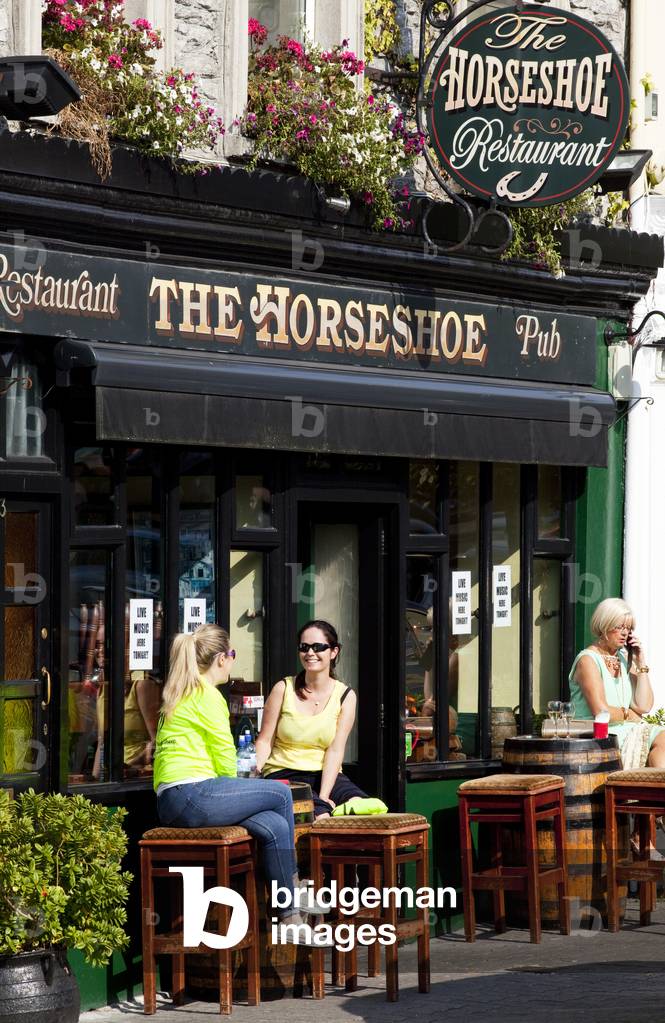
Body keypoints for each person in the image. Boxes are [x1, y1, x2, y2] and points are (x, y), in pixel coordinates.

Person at [153, 624, 319, 930]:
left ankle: (288, 910)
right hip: (195, 794)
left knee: (275, 824)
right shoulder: (209, 696)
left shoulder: (179, 692)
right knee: (279, 793)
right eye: (232, 654)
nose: (232, 660)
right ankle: (290, 901)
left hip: (171, 800)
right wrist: (242, 782)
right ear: (220, 659)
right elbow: (225, 762)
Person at [256, 620, 373, 818]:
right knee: (320, 815)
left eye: (318, 647)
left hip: (326, 774)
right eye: (304, 647)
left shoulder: (345, 695)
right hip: (283, 773)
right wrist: (252, 775)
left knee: (362, 808)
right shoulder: (283, 688)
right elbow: (265, 741)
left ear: (334, 652)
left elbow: (336, 750)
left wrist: (325, 795)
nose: (310, 652)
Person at [569, 597, 665, 769]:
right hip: (598, 734)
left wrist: (640, 663)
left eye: (628, 628)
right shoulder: (588, 660)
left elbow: (643, 706)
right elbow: (601, 712)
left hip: (625, 729)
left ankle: (653, 791)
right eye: (619, 627)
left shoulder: (623, 658)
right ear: (604, 625)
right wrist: (628, 714)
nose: (625, 633)